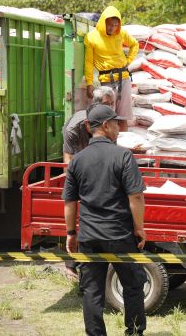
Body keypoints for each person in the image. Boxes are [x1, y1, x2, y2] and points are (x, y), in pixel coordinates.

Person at [63, 104, 147, 336]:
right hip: (120, 234)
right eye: (116, 124)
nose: (119, 129)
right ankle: (134, 332)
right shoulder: (123, 156)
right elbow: (136, 196)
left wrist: (71, 233)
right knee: (132, 286)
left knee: (92, 290)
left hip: (89, 236)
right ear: (106, 126)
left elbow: (70, 202)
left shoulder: (77, 160)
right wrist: (139, 228)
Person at [61, 86, 116, 281]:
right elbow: (68, 164)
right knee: (79, 216)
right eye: (107, 105)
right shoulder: (74, 128)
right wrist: (78, 187)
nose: (111, 108)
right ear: (96, 105)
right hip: (79, 169)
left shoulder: (109, 125)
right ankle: (72, 265)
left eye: (112, 104)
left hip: (94, 165)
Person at [84, 6, 139, 132]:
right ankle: (110, 147)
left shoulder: (121, 33)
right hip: (107, 81)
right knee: (108, 117)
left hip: (123, 78)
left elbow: (135, 44)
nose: (112, 28)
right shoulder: (91, 37)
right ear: (103, 22)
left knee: (123, 116)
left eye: (115, 25)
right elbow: (88, 62)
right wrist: (89, 83)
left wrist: (128, 60)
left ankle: (124, 147)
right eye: (110, 25)